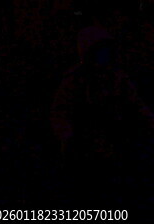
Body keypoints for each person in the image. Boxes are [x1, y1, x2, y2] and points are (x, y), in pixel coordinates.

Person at [51, 26, 154, 206]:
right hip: (85, 146)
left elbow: (137, 105)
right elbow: (60, 112)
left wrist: (149, 122)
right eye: (99, 51)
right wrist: (68, 138)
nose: (104, 56)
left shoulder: (118, 78)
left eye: (107, 50)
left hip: (116, 142)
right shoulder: (75, 80)